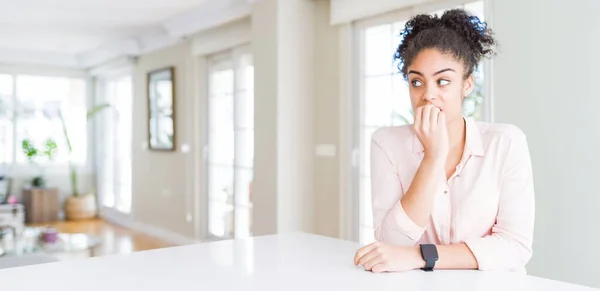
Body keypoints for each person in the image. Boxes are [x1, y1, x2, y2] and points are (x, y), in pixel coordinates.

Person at [353, 9, 534, 273]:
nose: (428, 95)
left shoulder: (506, 142)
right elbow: (390, 243)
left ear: (467, 84)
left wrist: (419, 257)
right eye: (416, 82)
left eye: (443, 81)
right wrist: (433, 156)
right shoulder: (386, 143)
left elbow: (515, 247)